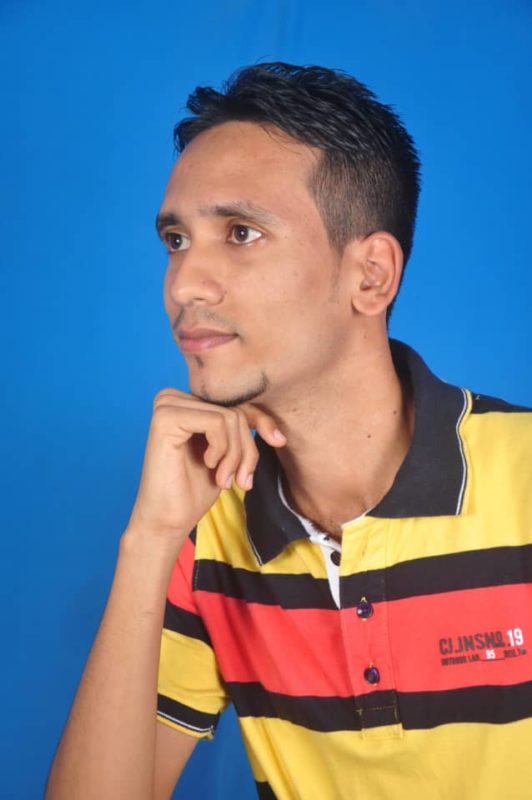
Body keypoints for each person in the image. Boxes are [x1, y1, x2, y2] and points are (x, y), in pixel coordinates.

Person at [46, 62, 532, 800]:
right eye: (176, 240)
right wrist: (150, 540)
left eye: (240, 233)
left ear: (371, 276)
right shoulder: (206, 529)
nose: (184, 284)